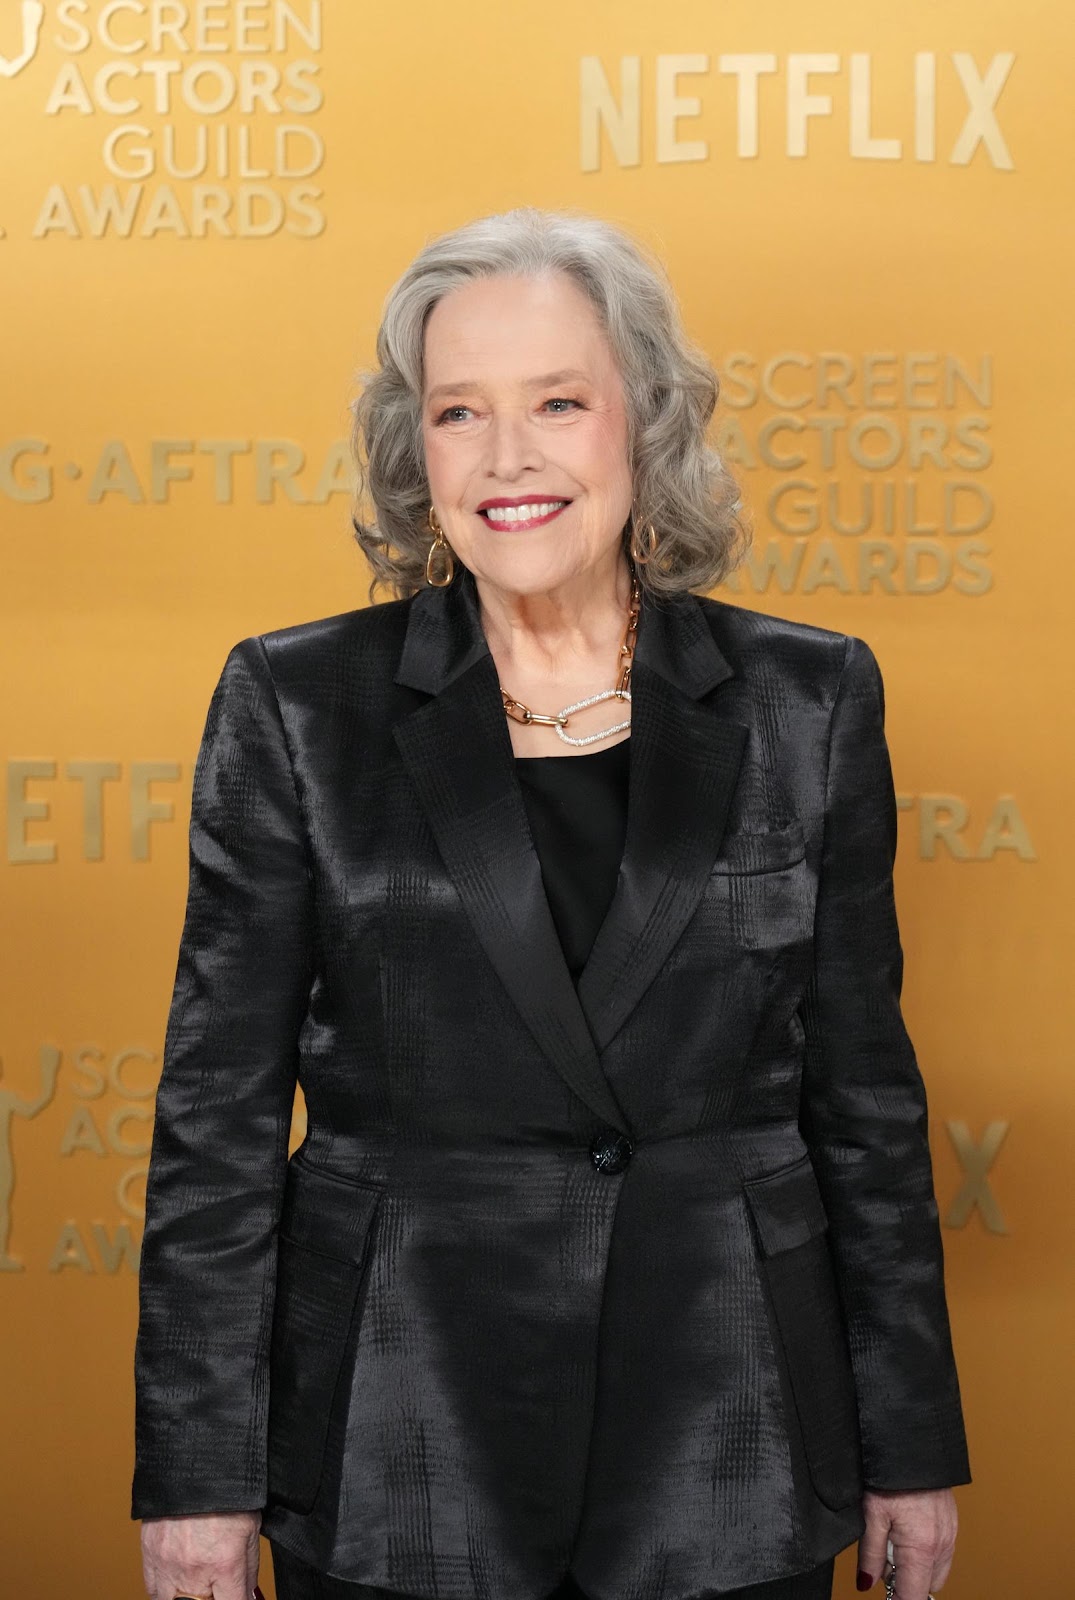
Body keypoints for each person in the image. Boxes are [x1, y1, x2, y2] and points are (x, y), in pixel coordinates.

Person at [132, 207, 971, 1600]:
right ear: (420, 451)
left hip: (733, 1428)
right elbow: (213, 1130)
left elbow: (865, 1106)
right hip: (396, 1433)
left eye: (558, 403)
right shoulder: (294, 704)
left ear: (644, 420)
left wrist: (912, 1438)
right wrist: (198, 1476)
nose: (508, 458)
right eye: (460, 412)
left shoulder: (808, 703)